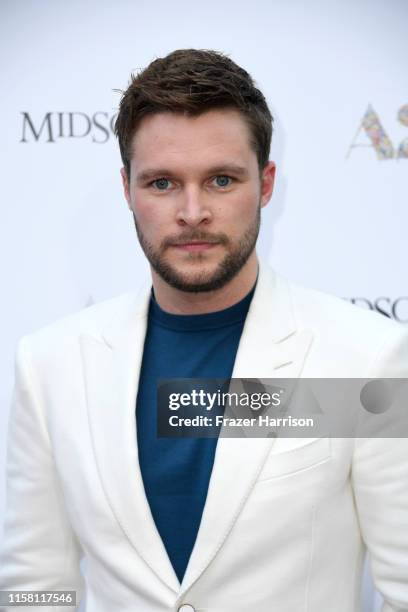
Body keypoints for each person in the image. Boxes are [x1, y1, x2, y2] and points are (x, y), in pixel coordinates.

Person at [0, 49, 407, 612]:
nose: (193, 212)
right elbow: (33, 585)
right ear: (127, 190)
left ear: (265, 184)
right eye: (163, 183)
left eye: (220, 179)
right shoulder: (50, 364)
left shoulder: (365, 357)